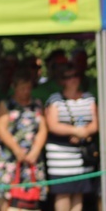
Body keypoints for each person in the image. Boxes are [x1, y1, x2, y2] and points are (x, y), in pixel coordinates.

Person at [0, 69, 48, 211]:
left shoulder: (37, 104)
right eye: (22, 88)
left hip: (31, 159)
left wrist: (35, 150)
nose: (26, 91)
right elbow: (0, 128)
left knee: (30, 198)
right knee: (6, 196)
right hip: (8, 158)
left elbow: (43, 129)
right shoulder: (6, 104)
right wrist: (16, 149)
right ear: (14, 87)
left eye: (28, 88)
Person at [44, 63, 99, 211]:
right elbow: (52, 124)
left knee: (78, 193)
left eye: (75, 75)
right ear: (62, 81)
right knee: (63, 194)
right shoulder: (55, 99)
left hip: (81, 154)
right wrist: (74, 131)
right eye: (69, 77)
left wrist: (84, 133)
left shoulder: (88, 98)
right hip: (61, 156)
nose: (73, 79)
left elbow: (96, 123)